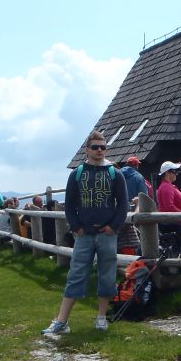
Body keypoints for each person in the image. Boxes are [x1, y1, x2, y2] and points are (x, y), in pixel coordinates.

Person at [42, 131, 129, 334]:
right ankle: (62, 321)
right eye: (95, 147)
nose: (99, 150)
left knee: (107, 274)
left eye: (103, 147)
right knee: (76, 274)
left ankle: (101, 317)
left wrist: (113, 226)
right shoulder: (77, 174)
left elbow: (123, 203)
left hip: (107, 233)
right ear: (87, 149)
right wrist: (76, 227)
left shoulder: (115, 173)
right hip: (84, 234)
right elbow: (70, 204)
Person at [157, 161, 181, 253]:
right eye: (175, 171)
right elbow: (169, 206)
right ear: (167, 173)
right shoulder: (166, 187)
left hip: (174, 223)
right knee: (176, 252)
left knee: (179, 251)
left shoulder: (168, 186)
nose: (176, 174)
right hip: (172, 224)